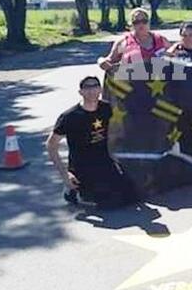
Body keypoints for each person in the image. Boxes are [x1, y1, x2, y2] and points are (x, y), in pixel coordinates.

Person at [46, 76, 136, 209]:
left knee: (131, 195)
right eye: (87, 87)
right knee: (107, 203)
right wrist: (65, 175)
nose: (91, 90)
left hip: (104, 161)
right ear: (80, 92)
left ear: (100, 90)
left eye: (95, 86)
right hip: (82, 164)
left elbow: (117, 132)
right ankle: (72, 191)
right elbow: (51, 145)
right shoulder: (69, 117)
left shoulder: (106, 108)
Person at [98, 8, 170, 70]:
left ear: (149, 22)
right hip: (131, 84)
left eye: (144, 21)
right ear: (131, 25)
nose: (141, 24)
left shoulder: (161, 40)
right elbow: (110, 60)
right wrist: (101, 61)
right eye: (136, 22)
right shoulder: (123, 42)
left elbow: (175, 58)